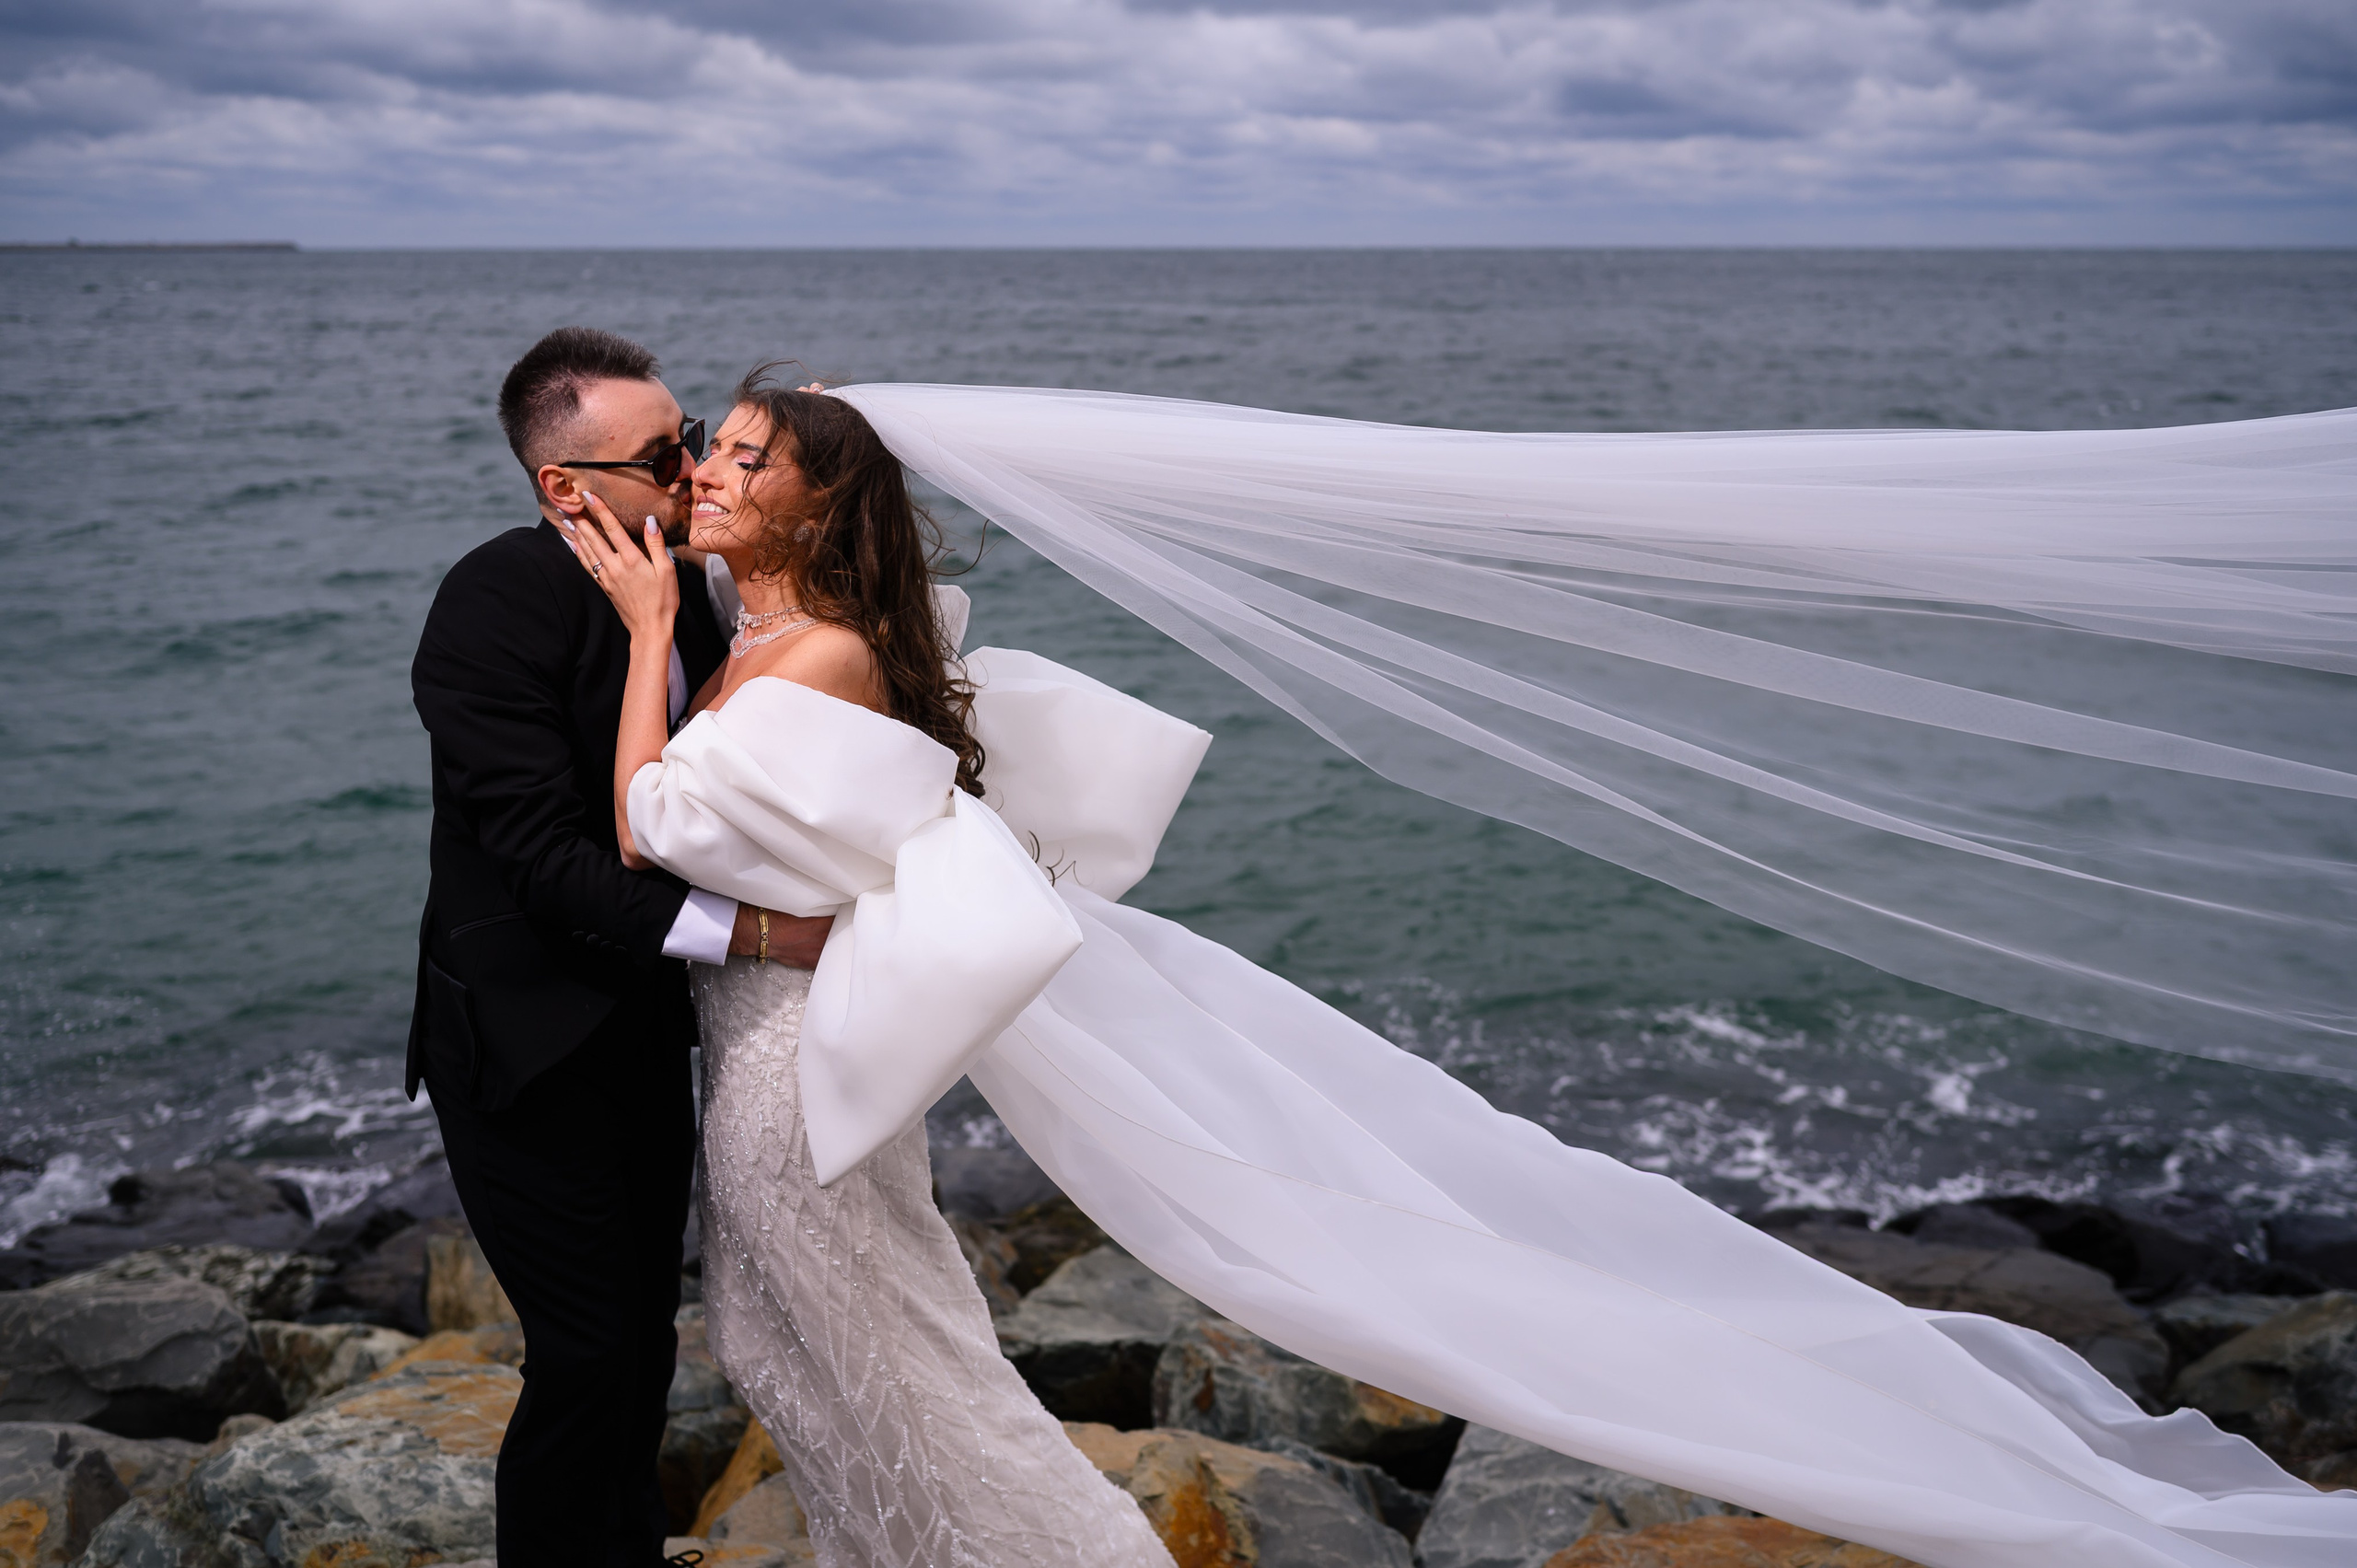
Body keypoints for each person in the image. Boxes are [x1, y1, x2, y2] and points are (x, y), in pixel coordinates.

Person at [565, 370, 2357, 1568]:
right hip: (769, 1039)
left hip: (793, 1060)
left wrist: (646, 629)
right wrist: (684, 619)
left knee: (892, 1359)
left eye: (736, 456)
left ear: (815, 502)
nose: (699, 474)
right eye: (702, 447)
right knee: (795, 1352)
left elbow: (654, 823)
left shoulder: (815, 661)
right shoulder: (790, 631)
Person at [407, 328, 830, 1568]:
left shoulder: (683, 578)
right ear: (565, 487)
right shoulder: (492, 601)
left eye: (699, 435)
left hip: (649, 1030)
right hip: (526, 1049)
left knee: (645, 1340)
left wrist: (807, 449)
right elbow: (542, 859)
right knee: (586, 1355)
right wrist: (753, 933)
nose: (696, 466)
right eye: (667, 452)